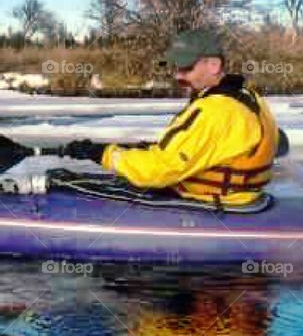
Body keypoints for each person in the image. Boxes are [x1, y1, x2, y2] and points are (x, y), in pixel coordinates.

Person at [63, 28, 279, 207]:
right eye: (177, 68)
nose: (178, 75)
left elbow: (159, 170)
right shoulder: (248, 96)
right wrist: (140, 149)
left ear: (214, 65)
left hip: (216, 201)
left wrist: (104, 154)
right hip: (242, 195)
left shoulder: (215, 111)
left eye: (186, 68)